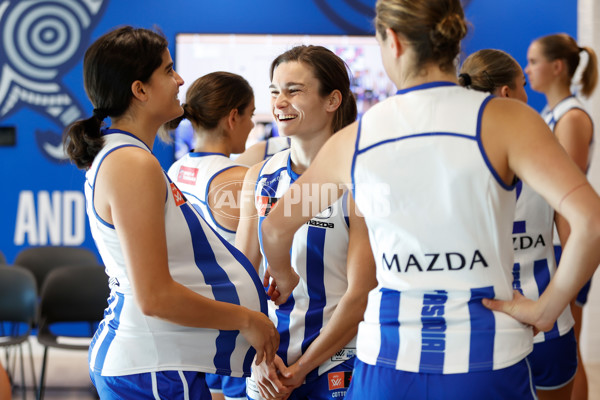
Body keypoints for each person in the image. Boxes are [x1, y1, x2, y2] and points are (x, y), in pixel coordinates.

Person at [257, 1, 600, 399]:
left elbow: (275, 228)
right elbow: (590, 222)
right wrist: (546, 309)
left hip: (385, 365)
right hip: (486, 362)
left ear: (395, 42)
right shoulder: (511, 119)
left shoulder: (356, 138)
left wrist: (283, 275)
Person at [63, 26, 278, 399]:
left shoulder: (129, 156)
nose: (180, 80)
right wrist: (248, 319)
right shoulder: (131, 163)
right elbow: (155, 296)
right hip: (151, 366)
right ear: (139, 90)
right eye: (167, 70)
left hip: (155, 364)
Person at [236, 45, 377, 400]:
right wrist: (260, 356)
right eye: (274, 91)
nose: (279, 102)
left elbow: (360, 294)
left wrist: (302, 369)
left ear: (332, 100)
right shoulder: (259, 176)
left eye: (293, 90)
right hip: (268, 365)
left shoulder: (361, 180)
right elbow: (242, 278)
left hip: (340, 361)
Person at [460, 49, 577, 400]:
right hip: (548, 325)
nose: (529, 95)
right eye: (523, 85)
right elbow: (578, 240)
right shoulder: (548, 153)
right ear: (507, 94)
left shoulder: (451, 160)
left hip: (475, 331)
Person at [165, 71, 257, 400]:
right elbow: (254, 260)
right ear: (234, 117)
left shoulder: (176, 169)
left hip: (195, 320)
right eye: (251, 115)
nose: (253, 126)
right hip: (234, 324)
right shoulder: (241, 180)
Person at [525, 33, 598, 400]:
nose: (527, 70)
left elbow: (567, 196)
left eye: (534, 61)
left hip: (565, 244)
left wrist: (573, 255)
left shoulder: (570, 118)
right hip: (548, 244)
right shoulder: (548, 114)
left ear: (557, 67)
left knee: (569, 348)